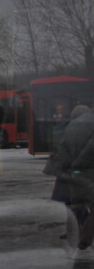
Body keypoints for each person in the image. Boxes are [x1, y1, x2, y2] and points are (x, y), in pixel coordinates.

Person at [54, 104, 94, 248]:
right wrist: (79, 163)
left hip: (73, 174)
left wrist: (70, 165)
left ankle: (73, 233)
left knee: (77, 205)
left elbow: (62, 147)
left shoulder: (72, 125)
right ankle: (85, 238)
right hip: (89, 171)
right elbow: (92, 147)